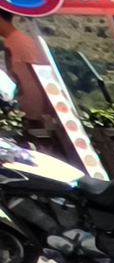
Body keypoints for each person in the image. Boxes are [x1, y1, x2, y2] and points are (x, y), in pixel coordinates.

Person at [0, 12, 71, 159]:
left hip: (41, 113)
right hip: (30, 111)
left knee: (48, 155)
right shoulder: (12, 43)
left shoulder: (21, 43)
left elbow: (43, 75)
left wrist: (44, 111)